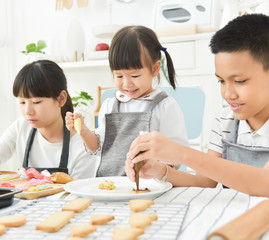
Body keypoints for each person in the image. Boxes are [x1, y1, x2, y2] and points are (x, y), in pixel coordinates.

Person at [125, 14, 269, 197]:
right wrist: (160, 171)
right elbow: (204, 182)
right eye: (221, 81)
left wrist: (180, 153)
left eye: (240, 81)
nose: (228, 94)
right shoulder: (225, 120)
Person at [66, 25, 189, 177]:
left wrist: (158, 165)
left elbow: (177, 154)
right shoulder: (110, 105)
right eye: (118, 76)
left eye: (135, 76)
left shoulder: (164, 106)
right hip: (111, 187)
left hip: (150, 186)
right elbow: (97, 147)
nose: (126, 84)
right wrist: (83, 131)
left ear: (155, 68)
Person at [0, 60, 96, 178]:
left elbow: (79, 196)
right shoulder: (21, 127)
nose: (27, 112)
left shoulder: (82, 145)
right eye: (22, 102)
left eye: (36, 102)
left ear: (61, 99)